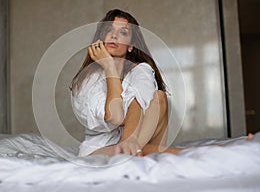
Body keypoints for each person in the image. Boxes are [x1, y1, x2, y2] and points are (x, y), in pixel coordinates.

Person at [70, 9, 253, 157]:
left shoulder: (139, 70)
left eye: (123, 32)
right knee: (160, 149)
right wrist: (109, 68)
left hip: (135, 142)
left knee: (159, 97)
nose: (114, 36)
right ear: (100, 38)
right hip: (99, 150)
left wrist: (130, 140)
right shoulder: (88, 79)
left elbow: (140, 101)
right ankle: (205, 152)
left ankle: (131, 152)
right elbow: (116, 117)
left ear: (132, 45)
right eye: (109, 30)